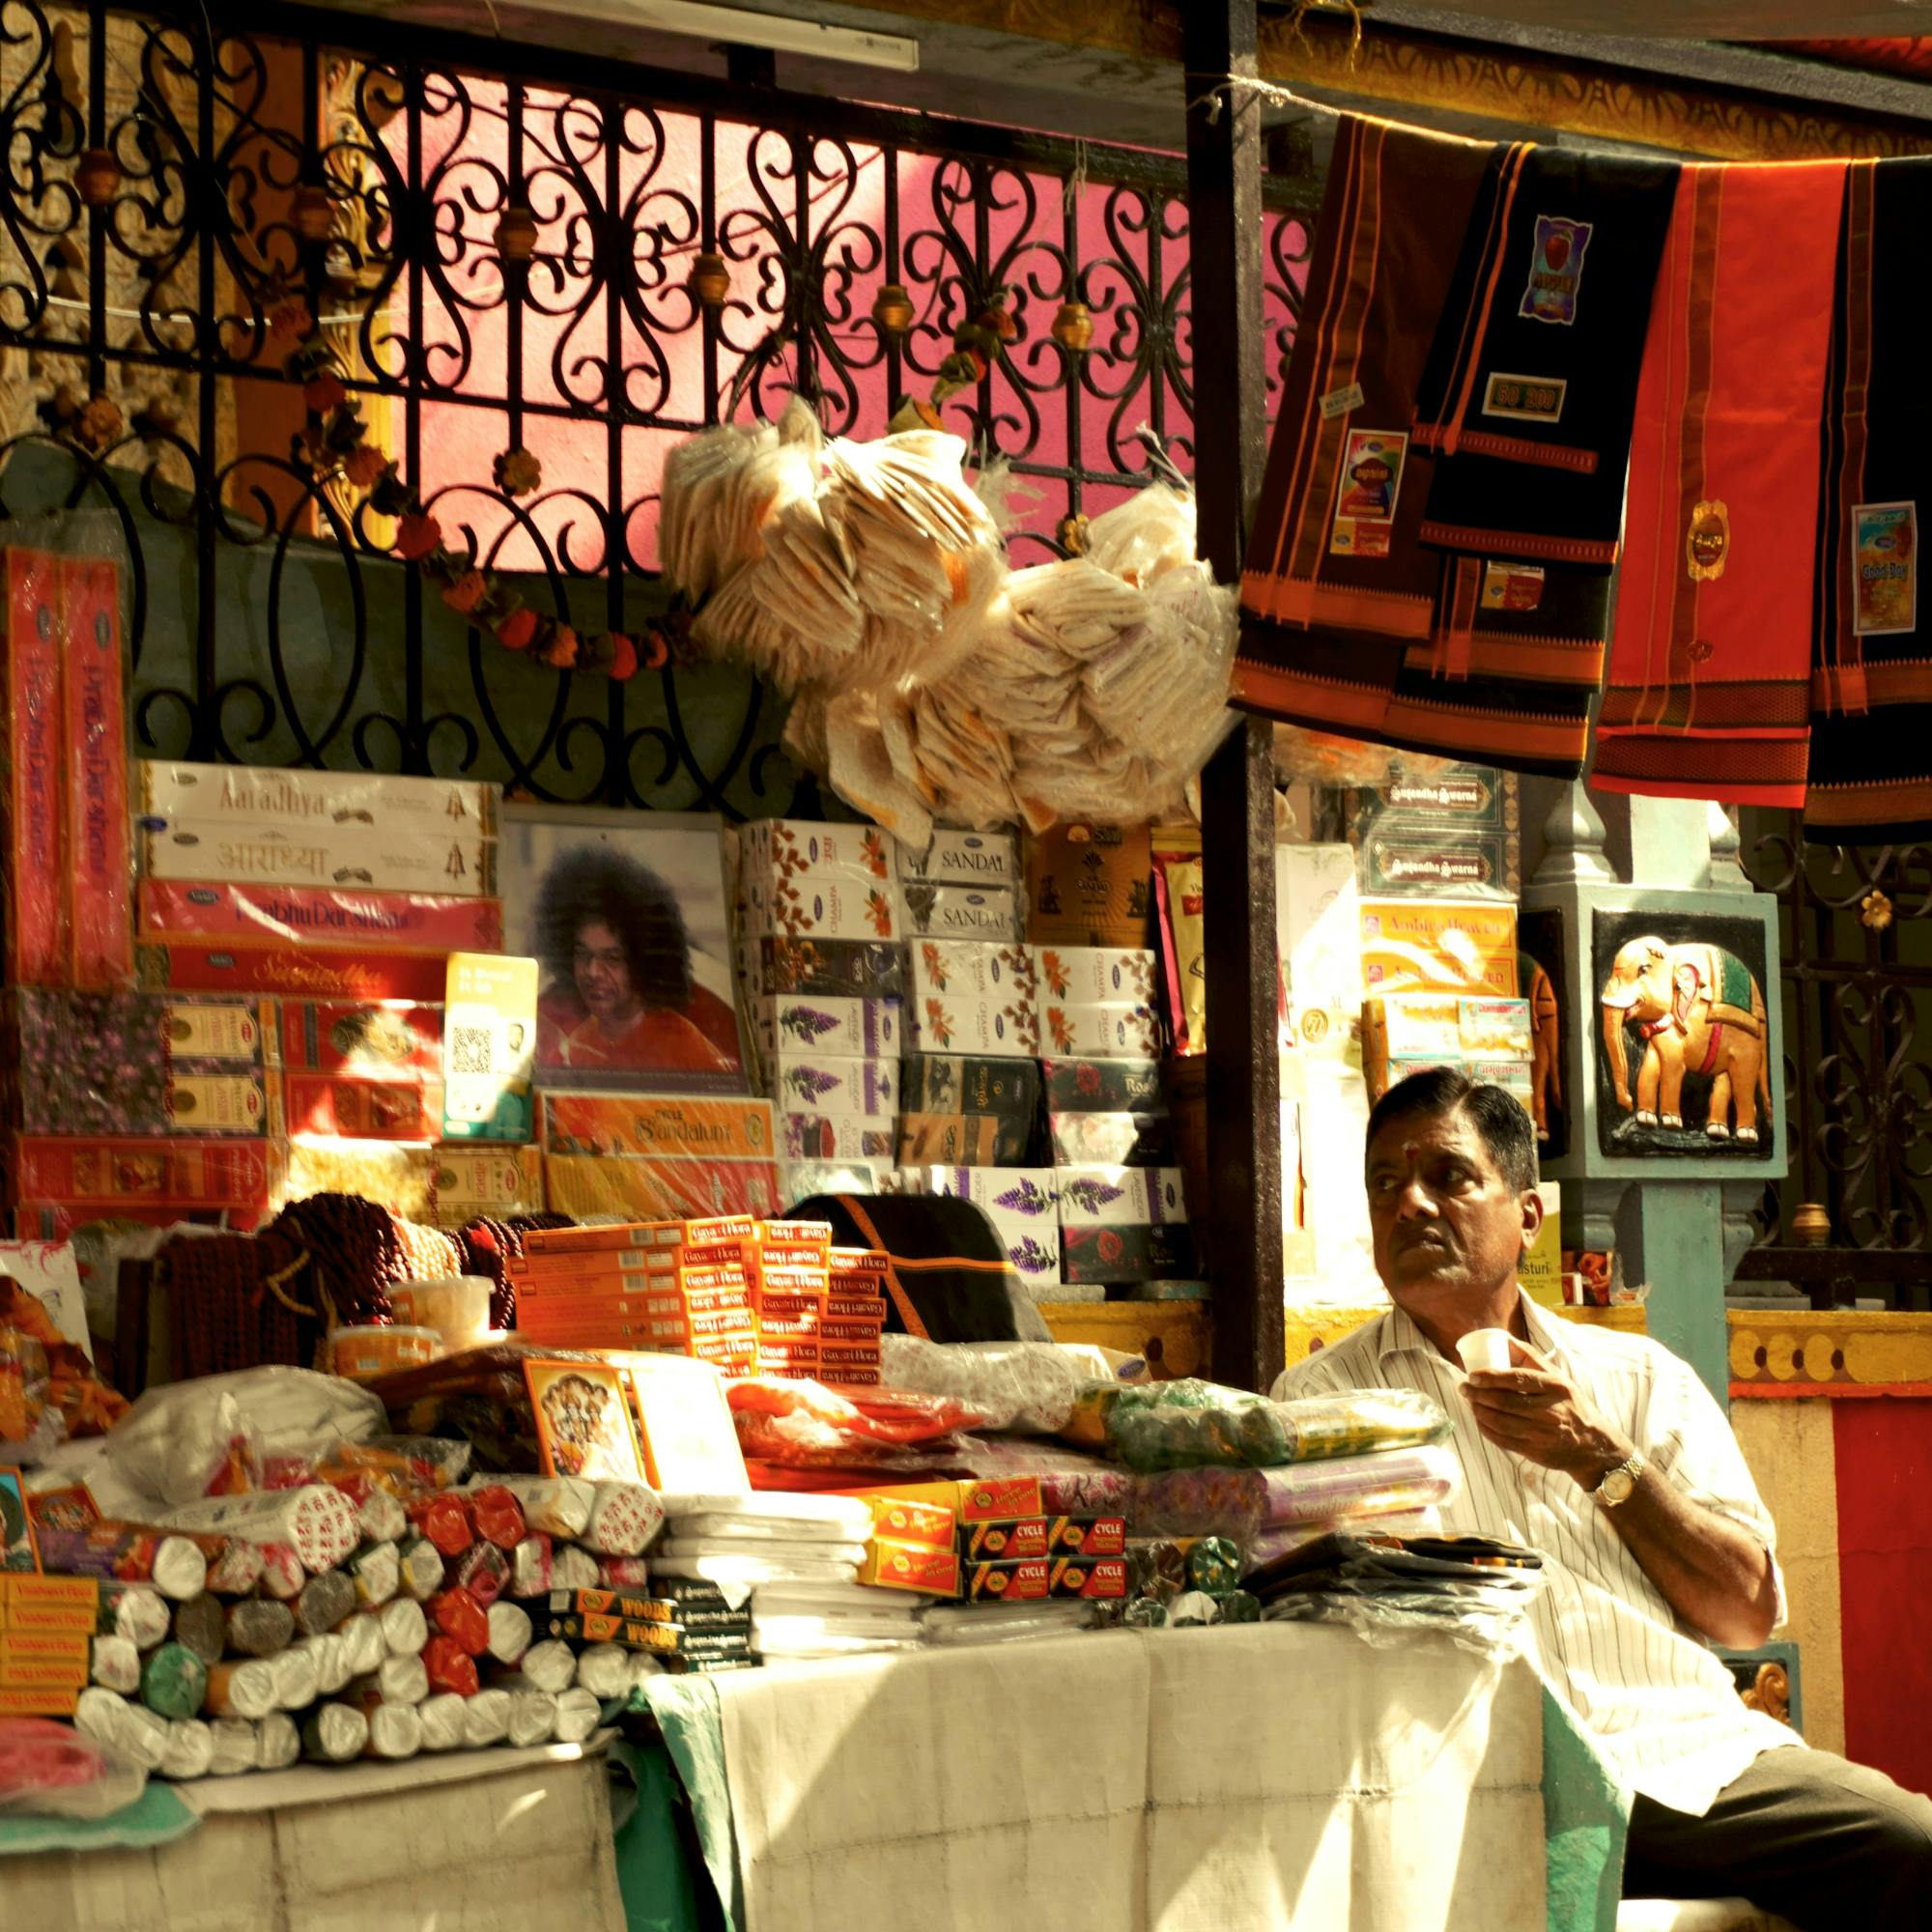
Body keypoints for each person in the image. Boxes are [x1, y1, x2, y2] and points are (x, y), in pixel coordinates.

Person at [1274, 1066, 1932, 1928]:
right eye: (1386, 1184)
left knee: (1911, 1841)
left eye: (1449, 1176)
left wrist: (1600, 1459)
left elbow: (1744, 1614)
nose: (1412, 1206)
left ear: (1529, 1214)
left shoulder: (1637, 1378)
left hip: (1685, 1763)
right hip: (1462, 1780)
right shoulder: (1319, 1406)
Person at [532, 844, 736, 1076]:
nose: (593, 971)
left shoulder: (686, 1047)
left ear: (643, 964)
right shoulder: (578, 1044)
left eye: (612, 958)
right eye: (583, 953)